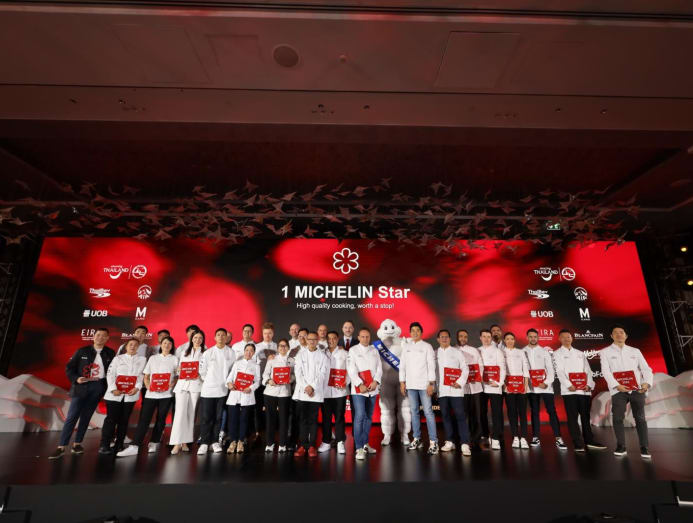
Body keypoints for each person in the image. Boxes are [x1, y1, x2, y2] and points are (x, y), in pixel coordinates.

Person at [49, 327, 116, 459]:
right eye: (98, 335)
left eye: (104, 336)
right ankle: (61, 447)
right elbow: (69, 368)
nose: (100, 337)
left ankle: (77, 444)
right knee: (72, 417)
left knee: (86, 417)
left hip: (98, 386)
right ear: (93, 336)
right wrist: (76, 379)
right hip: (81, 386)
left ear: (108, 338)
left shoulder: (110, 353)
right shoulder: (82, 351)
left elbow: (112, 371)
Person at [117, 335, 178, 457]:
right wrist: (149, 386)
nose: (167, 345)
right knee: (144, 419)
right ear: (161, 345)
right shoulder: (153, 358)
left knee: (161, 419)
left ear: (172, 346)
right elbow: (146, 375)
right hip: (151, 393)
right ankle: (135, 445)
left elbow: (177, 376)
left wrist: (171, 384)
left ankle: (154, 442)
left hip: (166, 394)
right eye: (165, 343)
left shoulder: (175, 359)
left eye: (169, 344)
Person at [600, 325, 654, 458]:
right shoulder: (605, 352)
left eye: (621, 332)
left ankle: (644, 447)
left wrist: (647, 383)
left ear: (626, 336)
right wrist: (616, 385)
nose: (619, 334)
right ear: (611, 336)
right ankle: (621, 446)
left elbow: (646, 369)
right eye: (616, 333)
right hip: (618, 390)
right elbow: (605, 371)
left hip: (636, 389)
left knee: (640, 418)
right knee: (617, 418)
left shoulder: (635, 351)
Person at [554, 329, 606, 452]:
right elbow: (559, 371)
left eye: (568, 337)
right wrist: (568, 384)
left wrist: (588, 385)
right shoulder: (556, 354)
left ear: (572, 338)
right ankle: (577, 443)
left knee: (585, 416)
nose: (566, 339)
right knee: (572, 417)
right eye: (563, 337)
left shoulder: (580, 353)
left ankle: (589, 440)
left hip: (583, 391)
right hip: (569, 391)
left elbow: (588, 370)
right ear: (559, 339)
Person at [98, 338, 146, 455]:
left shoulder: (142, 359)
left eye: (135, 345)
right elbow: (110, 374)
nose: (133, 346)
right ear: (126, 346)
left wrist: (137, 388)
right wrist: (113, 389)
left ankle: (119, 444)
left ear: (138, 347)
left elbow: (141, 376)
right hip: (114, 394)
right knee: (111, 420)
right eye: (130, 344)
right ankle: (105, 444)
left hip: (130, 395)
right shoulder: (118, 358)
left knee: (124, 420)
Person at [523, 328, 566, 450]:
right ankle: (535, 437)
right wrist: (530, 384)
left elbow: (551, 369)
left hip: (546, 387)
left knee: (551, 411)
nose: (533, 338)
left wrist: (546, 383)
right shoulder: (523, 351)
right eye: (530, 336)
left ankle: (558, 438)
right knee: (534, 412)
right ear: (527, 337)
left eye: (535, 336)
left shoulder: (544, 351)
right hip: (532, 388)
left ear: (538, 337)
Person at [400, 322, 439, 454]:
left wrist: (431, 383)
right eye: (413, 330)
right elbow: (402, 366)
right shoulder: (406, 347)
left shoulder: (427, 346)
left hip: (424, 385)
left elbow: (431, 366)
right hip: (411, 385)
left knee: (428, 412)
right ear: (410, 333)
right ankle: (417, 438)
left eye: (417, 330)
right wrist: (402, 382)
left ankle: (433, 442)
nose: (415, 332)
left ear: (421, 332)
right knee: (414, 411)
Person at [347, 327, 382, 460]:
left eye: (367, 336)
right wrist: (359, 384)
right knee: (360, 416)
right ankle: (359, 448)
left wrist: (376, 381)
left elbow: (379, 368)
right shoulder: (353, 350)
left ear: (370, 337)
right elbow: (351, 369)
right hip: (359, 390)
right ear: (358, 337)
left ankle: (365, 443)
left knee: (368, 417)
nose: (365, 339)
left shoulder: (374, 350)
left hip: (372, 388)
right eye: (362, 336)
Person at [197, 328, 235, 455]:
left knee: (218, 418)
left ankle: (214, 442)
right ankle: (204, 443)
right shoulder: (208, 353)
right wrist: (209, 380)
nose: (221, 337)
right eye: (218, 335)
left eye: (223, 335)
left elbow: (232, 370)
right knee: (206, 417)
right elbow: (202, 371)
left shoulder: (231, 353)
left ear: (226, 337)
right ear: (214, 337)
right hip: (208, 389)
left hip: (222, 390)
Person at [293, 332, 329, 458]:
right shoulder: (300, 355)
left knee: (313, 420)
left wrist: (312, 387)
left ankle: (312, 446)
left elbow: (323, 374)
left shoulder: (323, 356)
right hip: (303, 392)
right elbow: (298, 373)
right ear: (306, 340)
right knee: (303, 419)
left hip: (316, 392)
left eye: (314, 339)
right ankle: (303, 446)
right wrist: (306, 387)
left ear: (318, 340)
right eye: (309, 339)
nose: (312, 341)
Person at [436, 329, 471, 456]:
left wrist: (460, 382)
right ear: (438, 339)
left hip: (456, 389)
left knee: (460, 415)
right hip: (442, 390)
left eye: (446, 337)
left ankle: (465, 443)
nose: (444, 339)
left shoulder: (457, 352)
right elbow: (433, 372)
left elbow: (465, 368)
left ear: (450, 339)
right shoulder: (435, 353)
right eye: (442, 337)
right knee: (445, 416)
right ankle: (450, 441)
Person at [377, 319, 411, 447]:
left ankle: (405, 434)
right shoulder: (377, 346)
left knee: (405, 409)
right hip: (385, 381)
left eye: (391, 327)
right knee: (386, 410)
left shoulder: (404, 343)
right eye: (385, 328)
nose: (389, 330)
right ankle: (387, 434)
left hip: (402, 381)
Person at [170, 329, 204, 454]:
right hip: (182, 385)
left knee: (191, 414)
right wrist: (179, 370)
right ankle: (176, 443)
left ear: (203, 340)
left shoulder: (205, 353)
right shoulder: (184, 352)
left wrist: (200, 375)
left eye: (200, 338)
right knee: (179, 414)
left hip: (196, 385)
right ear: (191, 339)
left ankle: (185, 442)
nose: (197, 340)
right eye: (195, 338)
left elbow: (205, 370)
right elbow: (179, 368)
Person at [225, 343, 260, 453]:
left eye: (251, 351)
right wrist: (229, 384)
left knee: (244, 419)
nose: (248, 352)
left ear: (254, 353)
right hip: (235, 394)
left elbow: (258, 381)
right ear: (244, 351)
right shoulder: (237, 363)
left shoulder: (256, 366)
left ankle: (240, 441)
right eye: (247, 350)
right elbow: (229, 378)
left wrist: (251, 388)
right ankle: (233, 441)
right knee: (233, 420)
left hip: (247, 395)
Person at [319, 330, 349, 454]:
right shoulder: (321, 353)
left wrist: (345, 382)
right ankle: (326, 442)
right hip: (325, 391)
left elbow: (350, 370)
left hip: (339, 391)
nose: (331, 340)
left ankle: (340, 442)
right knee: (326, 418)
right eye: (329, 338)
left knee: (339, 417)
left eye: (334, 338)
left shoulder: (344, 353)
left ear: (338, 339)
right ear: (326, 340)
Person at [263, 338, 295, 452]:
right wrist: (269, 381)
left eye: (285, 346)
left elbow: (294, 375)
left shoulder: (292, 361)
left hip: (285, 393)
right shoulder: (272, 359)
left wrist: (290, 379)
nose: (283, 348)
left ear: (288, 348)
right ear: (277, 348)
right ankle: (270, 443)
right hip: (270, 392)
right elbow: (265, 374)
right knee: (270, 419)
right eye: (281, 346)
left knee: (284, 419)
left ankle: (282, 444)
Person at [478, 328, 506, 450]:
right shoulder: (477, 351)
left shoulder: (498, 351)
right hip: (481, 387)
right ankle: (485, 434)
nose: (486, 339)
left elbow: (503, 368)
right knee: (481, 412)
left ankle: (495, 438)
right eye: (484, 336)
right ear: (480, 338)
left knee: (496, 413)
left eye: (488, 336)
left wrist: (499, 383)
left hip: (495, 386)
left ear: (491, 338)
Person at [457, 329, 484, 451]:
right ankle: (464, 439)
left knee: (476, 414)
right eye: (461, 336)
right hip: (461, 389)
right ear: (457, 337)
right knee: (462, 415)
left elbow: (480, 366)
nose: (463, 338)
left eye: (465, 336)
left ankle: (476, 439)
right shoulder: (454, 350)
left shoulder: (474, 350)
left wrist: (477, 377)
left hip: (475, 387)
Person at [503, 332, 530, 449]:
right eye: (507, 339)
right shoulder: (501, 352)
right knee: (512, 412)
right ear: (504, 341)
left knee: (522, 413)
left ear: (514, 340)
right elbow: (501, 370)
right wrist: (505, 386)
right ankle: (515, 436)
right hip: (508, 387)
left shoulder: (520, 352)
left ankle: (523, 437)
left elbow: (526, 369)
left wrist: (525, 386)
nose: (510, 341)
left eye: (512, 339)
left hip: (521, 387)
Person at [252, 322, 277, 439]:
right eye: (265, 333)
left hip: (272, 382)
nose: (267, 335)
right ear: (262, 334)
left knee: (271, 408)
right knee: (258, 407)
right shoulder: (256, 347)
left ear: (273, 334)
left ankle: (271, 432)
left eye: (269, 333)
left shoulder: (277, 347)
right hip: (259, 381)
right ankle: (257, 432)